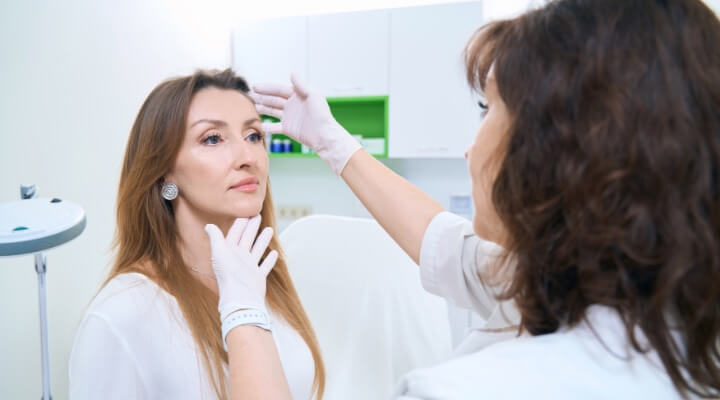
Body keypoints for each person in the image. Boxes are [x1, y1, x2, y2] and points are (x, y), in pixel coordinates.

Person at [223, 0, 720, 398]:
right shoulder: (685, 339)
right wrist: (336, 143)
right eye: (212, 138)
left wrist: (243, 316)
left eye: (489, 108)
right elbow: (451, 249)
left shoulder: (457, 390)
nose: (471, 145)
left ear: (559, 149)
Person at [68, 69, 325, 400]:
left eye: (254, 136)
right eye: (213, 139)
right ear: (164, 173)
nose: (248, 158)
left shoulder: (263, 279)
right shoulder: (122, 316)